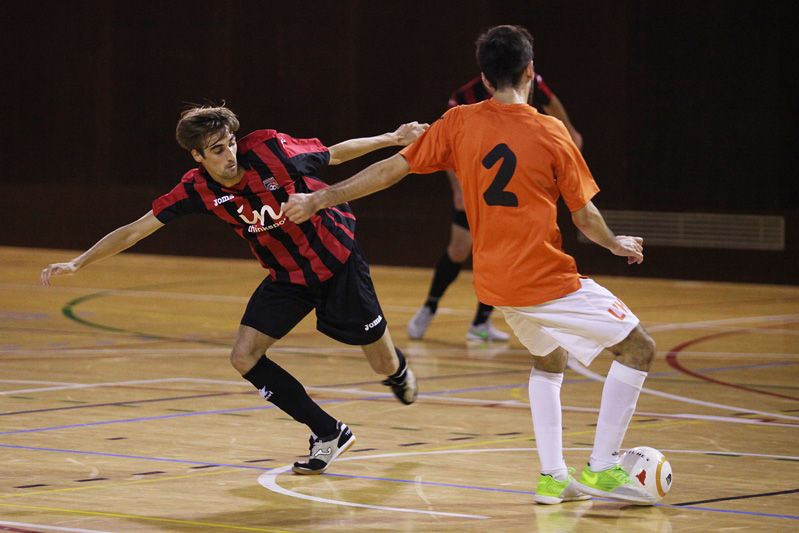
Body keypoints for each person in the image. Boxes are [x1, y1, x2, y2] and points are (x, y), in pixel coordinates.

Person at [284, 25, 658, 504]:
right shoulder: (551, 131)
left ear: (484, 78)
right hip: (543, 278)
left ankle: (552, 477)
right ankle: (604, 467)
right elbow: (584, 216)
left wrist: (323, 200)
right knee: (638, 349)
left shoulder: (458, 121)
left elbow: (389, 169)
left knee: (550, 359)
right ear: (530, 72)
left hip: (496, 283)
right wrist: (615, 242)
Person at [41, 105, 427, 475]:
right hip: (287, 277)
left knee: (382, 361)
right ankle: (329, 432)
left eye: (230, 143)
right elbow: (135, 229)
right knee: (244, 356)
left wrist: (393, 137)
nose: (230, 155)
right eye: (217, 149)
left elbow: (334, 154)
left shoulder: (271, 151)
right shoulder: (196, 190)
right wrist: (79, 262)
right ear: (197, 156)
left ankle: (397, 373)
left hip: (336, 261)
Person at [408, 73, 584, 342]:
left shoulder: (528, 81)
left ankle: (480, 322)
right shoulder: (464, 99)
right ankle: (429, 307)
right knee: (458, 249)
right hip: (476, 186)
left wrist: (570, 131)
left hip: (512, 192)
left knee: (502, 249)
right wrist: (458, 189)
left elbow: (552, 101)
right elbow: (446, 145)